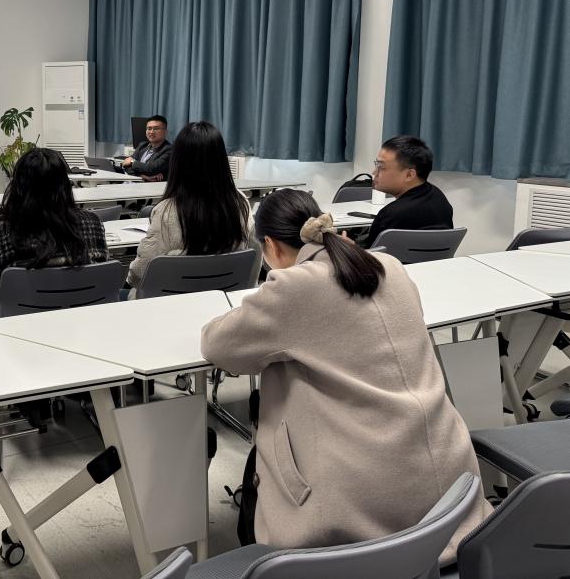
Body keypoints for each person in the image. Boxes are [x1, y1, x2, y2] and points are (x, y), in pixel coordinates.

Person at [200, 189, 490, 564]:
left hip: (360, 503)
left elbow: (217, 345)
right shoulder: (390, 267)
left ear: (270, 245)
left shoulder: (293, 287)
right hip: (447, 476)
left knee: (264, 474)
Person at [126, 121, 255, 298]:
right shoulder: (240, 203)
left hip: (171, 305)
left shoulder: (166, 211)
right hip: (224, 301)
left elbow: (138, 274)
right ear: (221, 159)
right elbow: (254, 257)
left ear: (178, 162)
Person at [0, 147, 108, 304]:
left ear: (17, 187)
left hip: (17, 317)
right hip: (83, 314)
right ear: (65, 186)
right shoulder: (93, 223)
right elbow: (102, 273)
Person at [365, 135, 453, 246]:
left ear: (409, 175)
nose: (374, 172)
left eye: (381, 167)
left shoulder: (392, 214)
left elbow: (370, 255)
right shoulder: (440, 200)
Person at [120, 114, 172, 181]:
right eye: (149, 128)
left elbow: (151, 169)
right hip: (137, 181)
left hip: (154, 185)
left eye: (156, 128)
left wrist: (132, 161)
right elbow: (126, 166)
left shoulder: (169, 150)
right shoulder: (142, 145)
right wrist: (143, 176)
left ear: (165, 132)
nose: (151, 132)